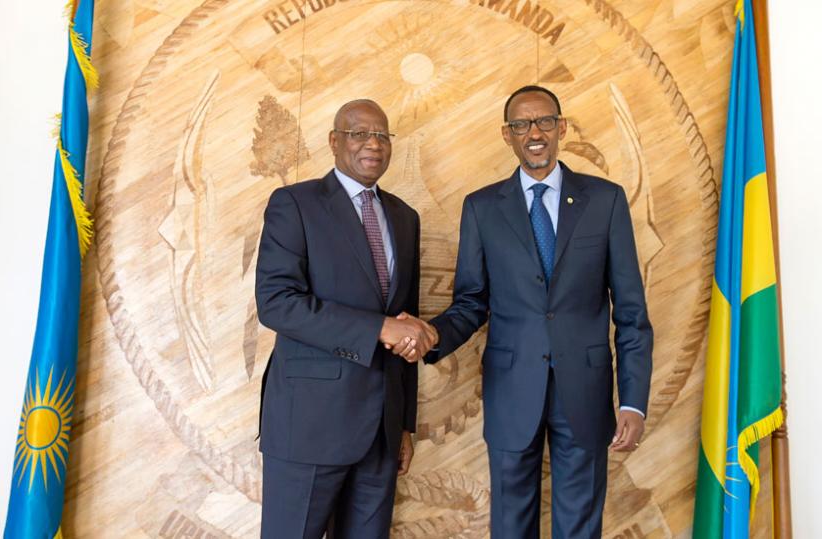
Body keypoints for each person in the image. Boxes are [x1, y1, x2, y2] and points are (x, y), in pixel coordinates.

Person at [393, 85, 653, 538]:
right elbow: (472, 302)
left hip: (586, 392)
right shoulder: (481, 208)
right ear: (507, 135)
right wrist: (432, 335)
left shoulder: (605, 200)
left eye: (545, 121)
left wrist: (633, 401)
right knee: (511, 526)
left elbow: (631, 312)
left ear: (561, 128)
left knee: (580, 528)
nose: (535, 133)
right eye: (521, 124)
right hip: (511, 393)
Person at [254, 99, 437, 538]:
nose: (373, 143)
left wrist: (404, 424)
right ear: (334, 142)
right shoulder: (295, 203)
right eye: (359, 133)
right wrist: (379, 328)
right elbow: (276, 302)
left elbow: (406, 322)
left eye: (382, 135)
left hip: (381, 435)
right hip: (309, 425)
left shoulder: (405, 217)